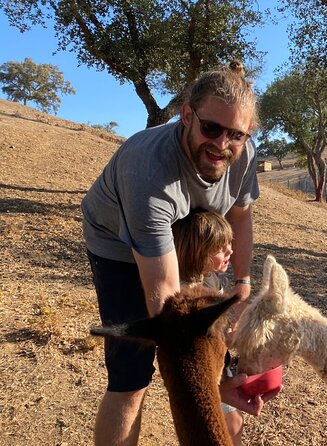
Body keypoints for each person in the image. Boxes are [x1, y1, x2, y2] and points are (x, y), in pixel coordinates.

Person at [82, 61, 279, 446]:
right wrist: (202, 386)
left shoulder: (243, 153)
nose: (222, 144)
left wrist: (241, 289)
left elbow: (240, 216)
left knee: (216, 356)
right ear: (187, 115)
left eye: (235, 134)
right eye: (211, 128)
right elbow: (169, 304)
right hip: (120, 246)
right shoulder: (148, 173)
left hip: (194, 237)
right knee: (131, 377)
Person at [171, 209, 244, 445]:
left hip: (222, 363)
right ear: (198, 252)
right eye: (221, 248)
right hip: (207, 371)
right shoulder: (184, 293)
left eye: (230, 244)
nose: (230, 251)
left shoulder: (213, 279)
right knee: (228, 424)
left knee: (235, 424)